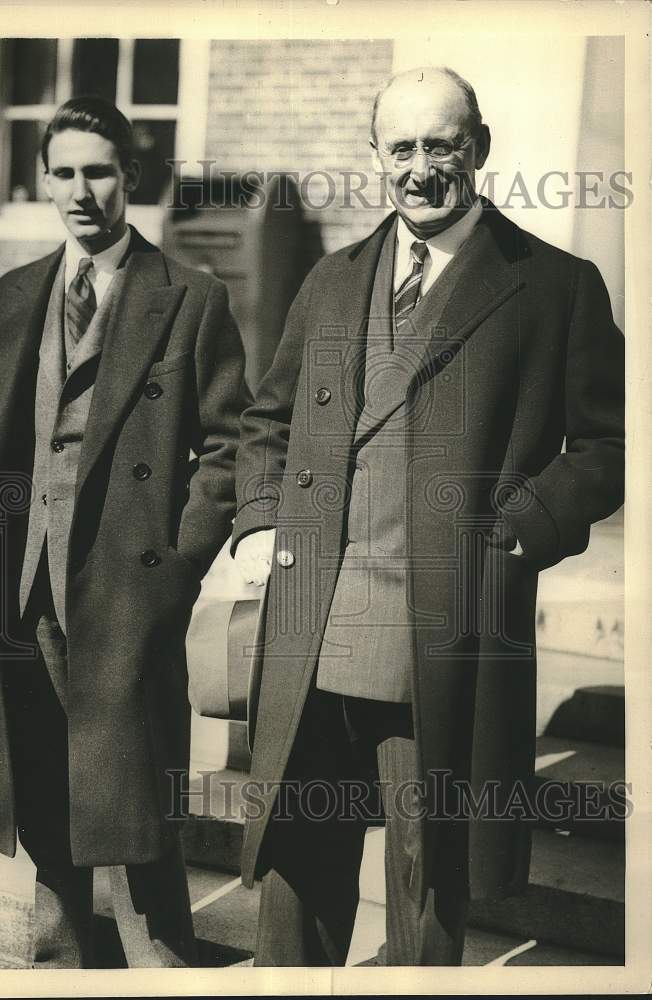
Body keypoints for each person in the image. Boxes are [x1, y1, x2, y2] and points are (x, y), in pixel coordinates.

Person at [232, 67, 624, 966]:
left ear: (477, 147)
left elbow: (612, 441)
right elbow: (267, 420)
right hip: (313, 630)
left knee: (426, 881)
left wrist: (526, 525)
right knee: (297, 875)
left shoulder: (556, 285)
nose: (419, 168)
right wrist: (258, 521)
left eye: (440, 144)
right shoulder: (333, 281)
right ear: (376, 156)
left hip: (440, 639)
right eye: (401, 147)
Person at [0, 96, 248, 967]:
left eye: (100, 172)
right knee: (37, 776)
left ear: (131, 180)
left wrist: (175, 565)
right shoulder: (15, 294)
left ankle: (160, 958)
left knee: (131, 783)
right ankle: (68, 954)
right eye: (65, 172)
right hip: (23, 574)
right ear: (44, 180)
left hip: (122, 575)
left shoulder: (190, 298)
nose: (82, 191)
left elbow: (229, 447)